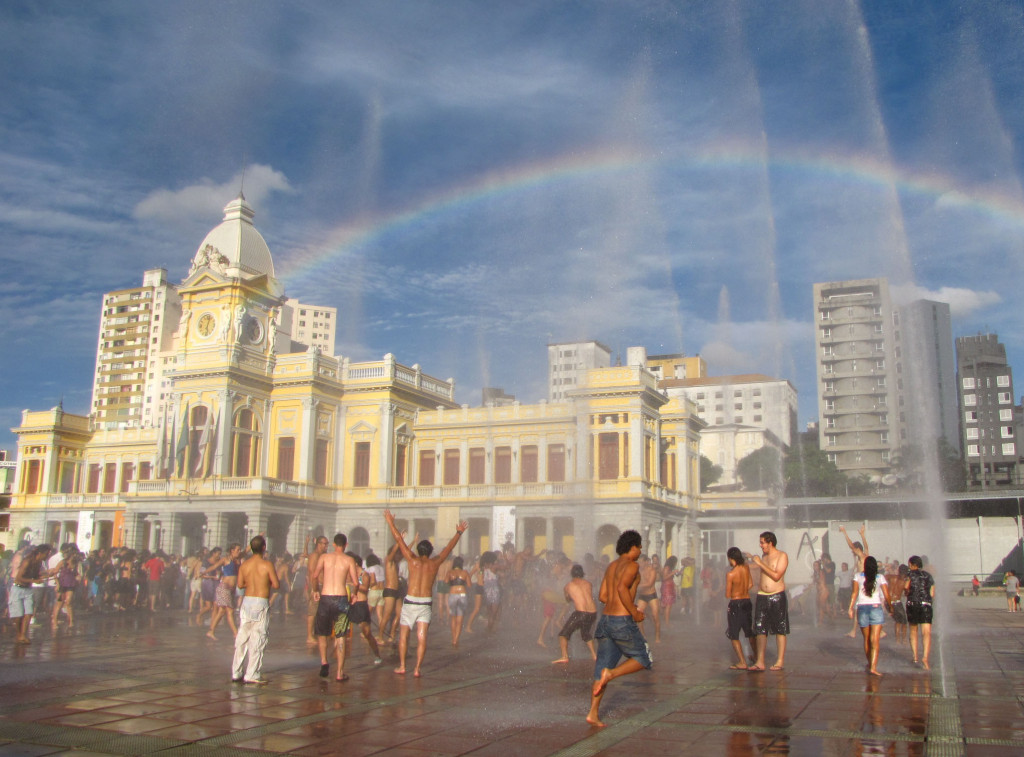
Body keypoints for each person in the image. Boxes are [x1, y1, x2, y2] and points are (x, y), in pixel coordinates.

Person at [383, 509, 468, 678]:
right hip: (425, 603)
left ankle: (402, 666)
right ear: (430, 551)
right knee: (422, 637)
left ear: (419, 550)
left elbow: (399, 540)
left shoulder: (412, 560)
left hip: (410, 601)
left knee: (404, 635)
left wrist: (390, 522)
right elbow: (448, 549)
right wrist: (458, 533)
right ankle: (417, 669)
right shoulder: (435, 563)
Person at [586, 530, 651, 727]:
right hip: (622, 620)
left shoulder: (611, 566)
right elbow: (623, 588)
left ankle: (593, 713)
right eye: (639, 547)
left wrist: (617, 603)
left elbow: (603, 596)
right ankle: (611, 674)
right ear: (633, 547)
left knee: (601, 669)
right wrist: (634, 611)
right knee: (643, 659)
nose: (640, 551)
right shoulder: (632, 566)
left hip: (606, 620)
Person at [231, 535, 279, 685]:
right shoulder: (267, 565)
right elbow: (276, 585)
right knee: (258, 638)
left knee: (242, 638)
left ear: (251, 548)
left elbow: (239, 585)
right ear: (264, 548)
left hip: (247, 601)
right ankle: (252, 673)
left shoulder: (244, 565)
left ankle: (236, 672)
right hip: (261, 601)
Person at [311, 533, 360, 681]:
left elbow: (314, 576)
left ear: (333, 544)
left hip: (325, 597)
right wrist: (354, 594)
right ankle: (339, 672)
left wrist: (315, 591)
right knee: (340, 636)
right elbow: (356, 582)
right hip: (341, 599)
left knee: (322, 633)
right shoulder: (349, 560)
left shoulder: (324, 557)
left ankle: (324, 661)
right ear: (346, 545)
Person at [746, 531, 789, 672]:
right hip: (762, 595)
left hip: (777, 595)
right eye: (760, 542)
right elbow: (755, 567)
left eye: (763, 542)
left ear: (770, 543)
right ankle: (760, 661)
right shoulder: (763, 556)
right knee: (760, 628)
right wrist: (750, 559)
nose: (760, 545)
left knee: (780, 629)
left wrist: (759, 563)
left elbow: (776, 576)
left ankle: (780, 660)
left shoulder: (782, 556)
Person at [849, 556, 891, 677]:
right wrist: (890, 607)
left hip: (862, 608)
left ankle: (869, 663)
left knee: (867, 639)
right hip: (875, 608)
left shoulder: (858, 576)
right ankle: (873, 666)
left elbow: (854, 593)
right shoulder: (880, 577)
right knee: (875, 640)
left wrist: (850, 608)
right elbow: (887, 594)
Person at [552, 564, 598, 664]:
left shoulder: (568, 586)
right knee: (585, 633)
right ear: (582, 573)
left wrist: (569, 595)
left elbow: (568, 600)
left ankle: (564, 656)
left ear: (571, 574)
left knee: (563, 634)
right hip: (593, 613)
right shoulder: (588, 583)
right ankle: (594, 655)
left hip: (581, 613)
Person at [9, 545, 54, 643]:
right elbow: (19, 578)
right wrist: (34, 580)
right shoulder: (27, 561)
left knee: (29, 613)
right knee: (18, 615)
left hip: (28, 589)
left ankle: (23, 635)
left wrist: (48, 574)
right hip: (17, 588)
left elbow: (36, 575)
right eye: (46, 554)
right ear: (40, 553)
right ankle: (19, 635)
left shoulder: (39, 563)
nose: (47, 556)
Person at [347, 553, 383, 667]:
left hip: (361, 604)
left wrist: (354, 585)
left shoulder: (364, 575)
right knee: (341, 632)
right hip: (349, 604)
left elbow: (365, 589)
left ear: (355, 563)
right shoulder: (348, 573)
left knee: (367, 633)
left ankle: (377, 655)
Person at [724, 547, 755, 670]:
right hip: (747, 601)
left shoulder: (731, 574)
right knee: (749, 632)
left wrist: (735, 591)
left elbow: (727, 594)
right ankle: (757, 657)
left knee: (734, 634)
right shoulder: (746, 567)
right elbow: (751, 584)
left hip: (736, 604)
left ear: (731, 558)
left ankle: (742, 661)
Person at [905, 555, 935, 669]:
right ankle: (925, 657)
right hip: (926, 605)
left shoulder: (910, 574)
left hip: (913, 604)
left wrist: (907, 591)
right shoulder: (929, 576)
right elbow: (932, 594)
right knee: (926, 633)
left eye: (909, 565)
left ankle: (915, 657)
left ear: (914, 565)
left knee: (913, 631)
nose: (909, 567)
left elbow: (906, 587)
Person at [207, 543, 242, 640]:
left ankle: (211, 631)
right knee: (230, 611)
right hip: (224, 587)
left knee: (222, 611)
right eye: (238, 550)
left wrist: (257, 539)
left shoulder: (237, 559)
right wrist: (203, 573)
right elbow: (214, 567)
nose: (239, 551)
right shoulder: (225, 559)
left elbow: (248, 550)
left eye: (240, 550)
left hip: (231, 589)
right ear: (232, 550)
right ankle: (236, 634)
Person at [303, 535, 328, 645]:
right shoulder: (314, 556)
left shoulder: (323, 555)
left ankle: (314, 632)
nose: (326, 545)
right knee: (312, 611)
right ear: (318, 544)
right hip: (316, 586)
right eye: (324, 543)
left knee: (319, 611)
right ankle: (309, 636)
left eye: (327, 543)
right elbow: (313, 573)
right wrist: (315, 589)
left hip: (323, 586)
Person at [635, 555, 661, 643]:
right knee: (638, 616)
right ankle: (643, 636)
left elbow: (649, 584)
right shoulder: (638, 571)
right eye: (638, 562)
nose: (639, 564)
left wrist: (636, 586)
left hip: (651, 595)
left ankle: (657, 636)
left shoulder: (652, 570)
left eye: (641, 562)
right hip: (642, 596)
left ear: (646, 562)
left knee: (655, 616)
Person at [446, 556, 471, 647]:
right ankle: (456, 639)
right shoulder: (465, 572)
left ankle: (453, 638)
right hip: (462, 595)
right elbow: (469, 584)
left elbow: (445, 582)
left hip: (452, 594)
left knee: (453, 617)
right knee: (460, 619)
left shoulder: (450, 572)